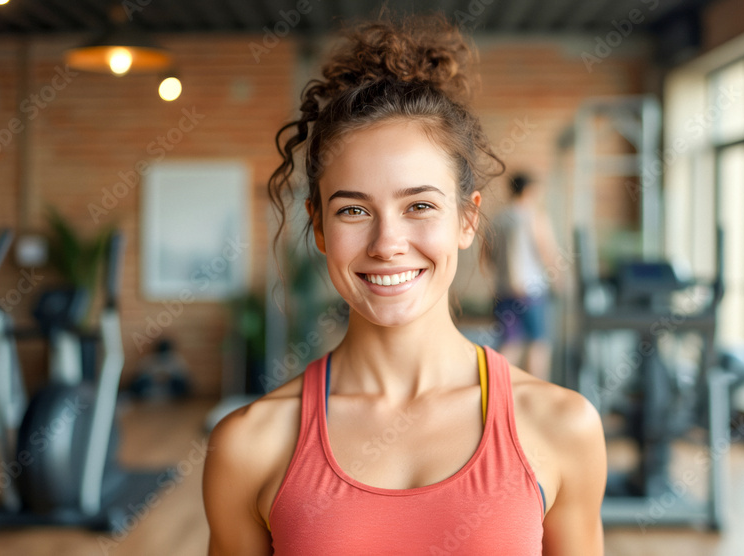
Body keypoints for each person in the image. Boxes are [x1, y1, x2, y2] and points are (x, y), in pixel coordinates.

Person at [203, 13, 605, 555]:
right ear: (318, 226)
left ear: (467, 219)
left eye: (419, 205)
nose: (386, 243)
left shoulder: (562, 427)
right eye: (352, 211)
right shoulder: (249, 445)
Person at [486, 171, 562, 382]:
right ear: (528, 190)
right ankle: (537, 394)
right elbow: (545, 251)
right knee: (539, 343)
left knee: (510, 343)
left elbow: (487, 256)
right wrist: (559, 279)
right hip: (531, 289)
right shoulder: (533, 216)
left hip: (504, 290)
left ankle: (497, 390)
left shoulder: (498, 218)